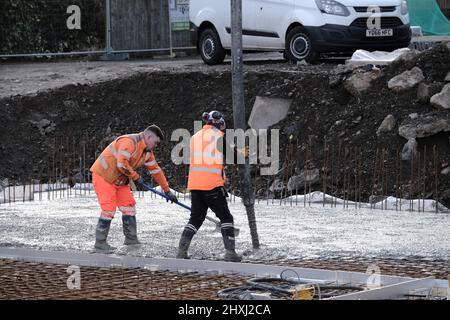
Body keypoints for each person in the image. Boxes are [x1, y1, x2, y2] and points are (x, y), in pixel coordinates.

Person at [90, 125, 178, 251]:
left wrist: (167, 190)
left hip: (120, 180)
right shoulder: (129, 142)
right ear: (148, 137)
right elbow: (122, 164)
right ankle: (100, 243)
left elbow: (156, 171)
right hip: (104, 176)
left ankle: (131, 239)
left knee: (129, 207)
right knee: (108, 209)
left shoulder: (147, 153)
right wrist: (136, 177)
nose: (156, 146)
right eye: (156, 142)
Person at [176, 111, 242, 262]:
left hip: (195, 185)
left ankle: (181, 251)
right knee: (226, 217)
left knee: (196, 218)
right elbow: (233, 157)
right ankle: (230, 253)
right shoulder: (218, 136)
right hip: (212, 184)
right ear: (218, 123)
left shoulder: (194, 137)